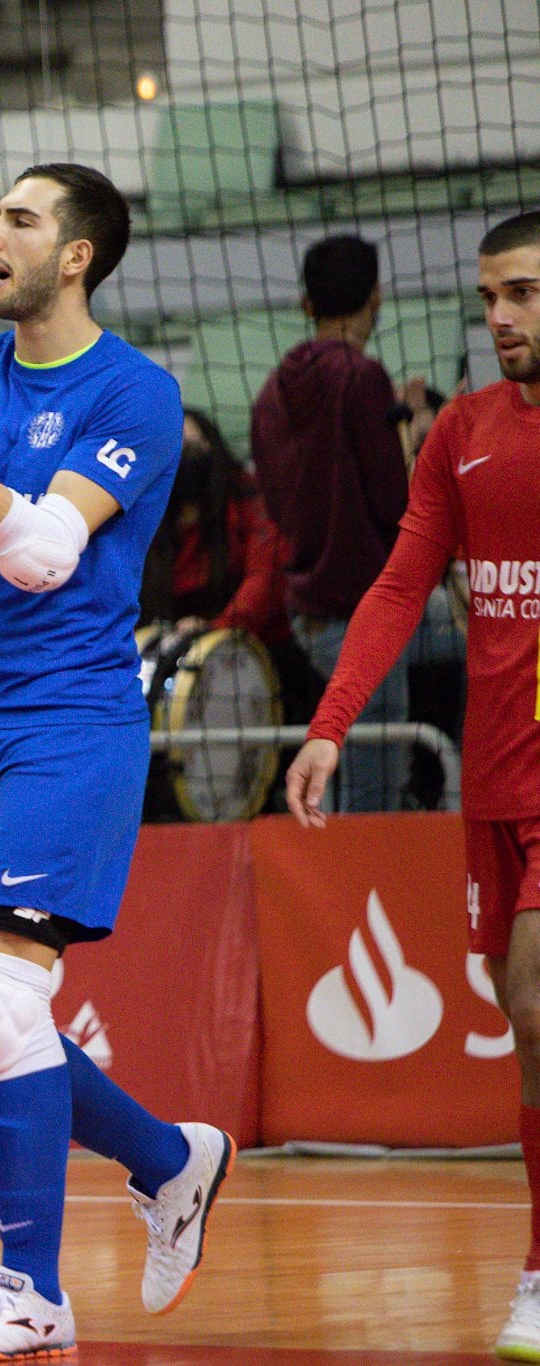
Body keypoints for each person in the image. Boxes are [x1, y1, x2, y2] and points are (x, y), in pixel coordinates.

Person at [0, 162, 234, 1360]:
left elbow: (41, 556)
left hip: (71, 722)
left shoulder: (135, 391)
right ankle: (171, 1158)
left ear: (76, 253)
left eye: (18, 218)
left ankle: (30, 1290)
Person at [284, 210, 540, 1364]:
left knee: (534, 1001)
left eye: (525, 294)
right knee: (518, 1016)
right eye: (490, 296)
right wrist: (329, 728)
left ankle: (535, 1270)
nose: (500, 318)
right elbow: (394, 587)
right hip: (487, 782)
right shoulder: (462, 433)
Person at [250, 234, 414, 812]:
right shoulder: (363, 378)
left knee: (346, 775)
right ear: (375, 298)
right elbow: (398, 504)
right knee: (373, 793)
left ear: (306, 303)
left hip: (306, 612)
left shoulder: (270, 390)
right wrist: (413, 439)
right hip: (362, 610)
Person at [139, 408, 289, 649]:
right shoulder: (151, 512)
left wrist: (216, 627)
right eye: (177, 450)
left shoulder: (248, 499)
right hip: (172, 644)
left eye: (194, 446)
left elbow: (265, 580)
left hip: (255, 646)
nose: (185, 456)